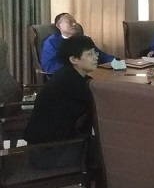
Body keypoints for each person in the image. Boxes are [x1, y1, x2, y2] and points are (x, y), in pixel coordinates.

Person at [24, 35, 99, 169]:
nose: (95, 57)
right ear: (73, 59)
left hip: (55, 144)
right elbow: (99, 107)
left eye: (95, 52)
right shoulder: (70, 84)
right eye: (89, 54)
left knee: (106, 145)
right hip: (47, 152)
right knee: (110, 150)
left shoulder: (69, 75)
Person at [41, 13, 114, 74]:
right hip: (66, 78)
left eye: (75, 21)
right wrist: (77, 69)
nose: (74, 24)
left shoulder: (83, 39)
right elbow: (50, 66)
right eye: (69, 22)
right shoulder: (51, 42)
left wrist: (115, 61)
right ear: (58, 25)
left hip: (91, 74)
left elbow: (100, 55)